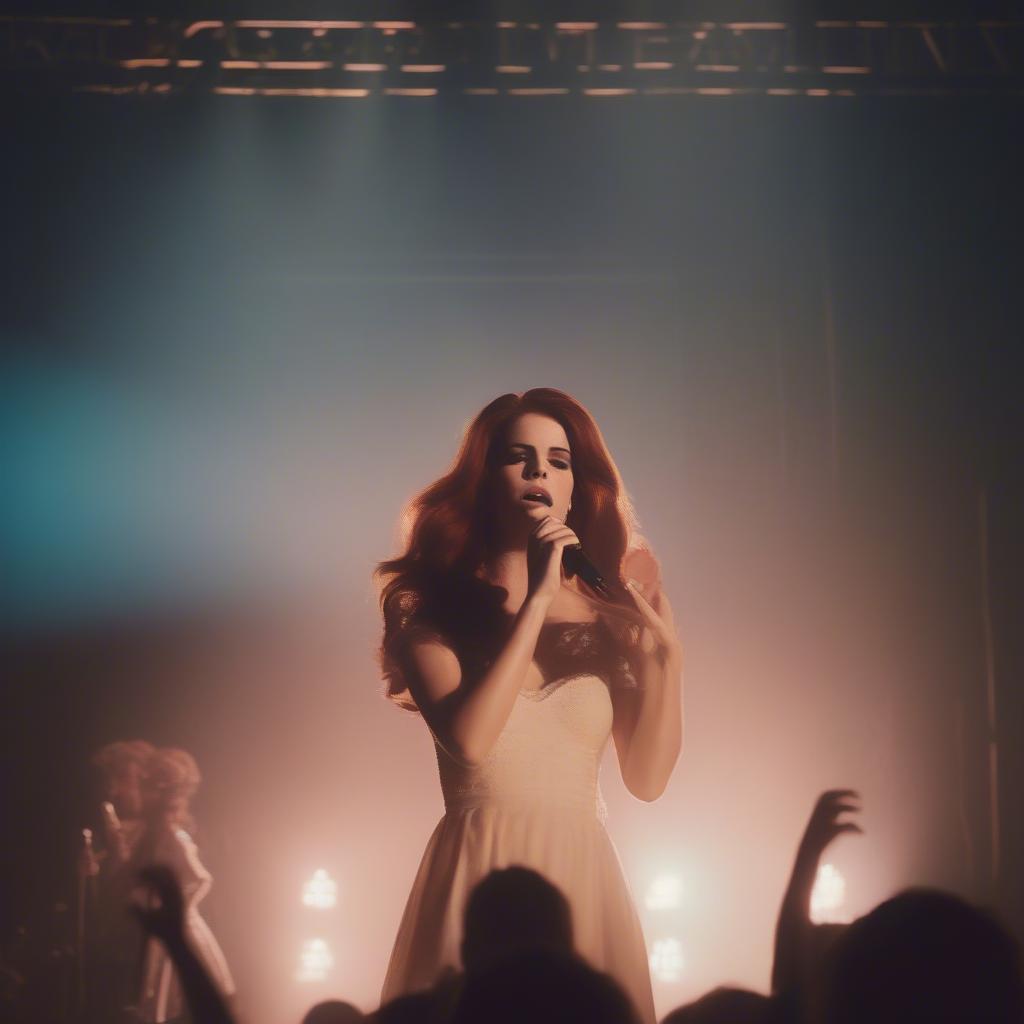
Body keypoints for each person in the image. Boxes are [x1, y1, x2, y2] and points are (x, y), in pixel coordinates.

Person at [374, 388, 684, 1024]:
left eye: (559, 460)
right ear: (483, 480)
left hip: (582, 874)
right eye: (519, 457)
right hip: (477, 870)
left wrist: (668, 663)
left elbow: (647, 781)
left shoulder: (608, 621)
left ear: (574, 489)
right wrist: (538, 598)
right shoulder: (429, 613)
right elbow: (471, 740)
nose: (541, 472)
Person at [129, 747, 236, 1023]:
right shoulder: (151, 837)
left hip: (179, 922)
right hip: (162, 923)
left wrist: (184, 909)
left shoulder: (176, 838)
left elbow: (203, 878)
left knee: (174, 991)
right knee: (155, 996)